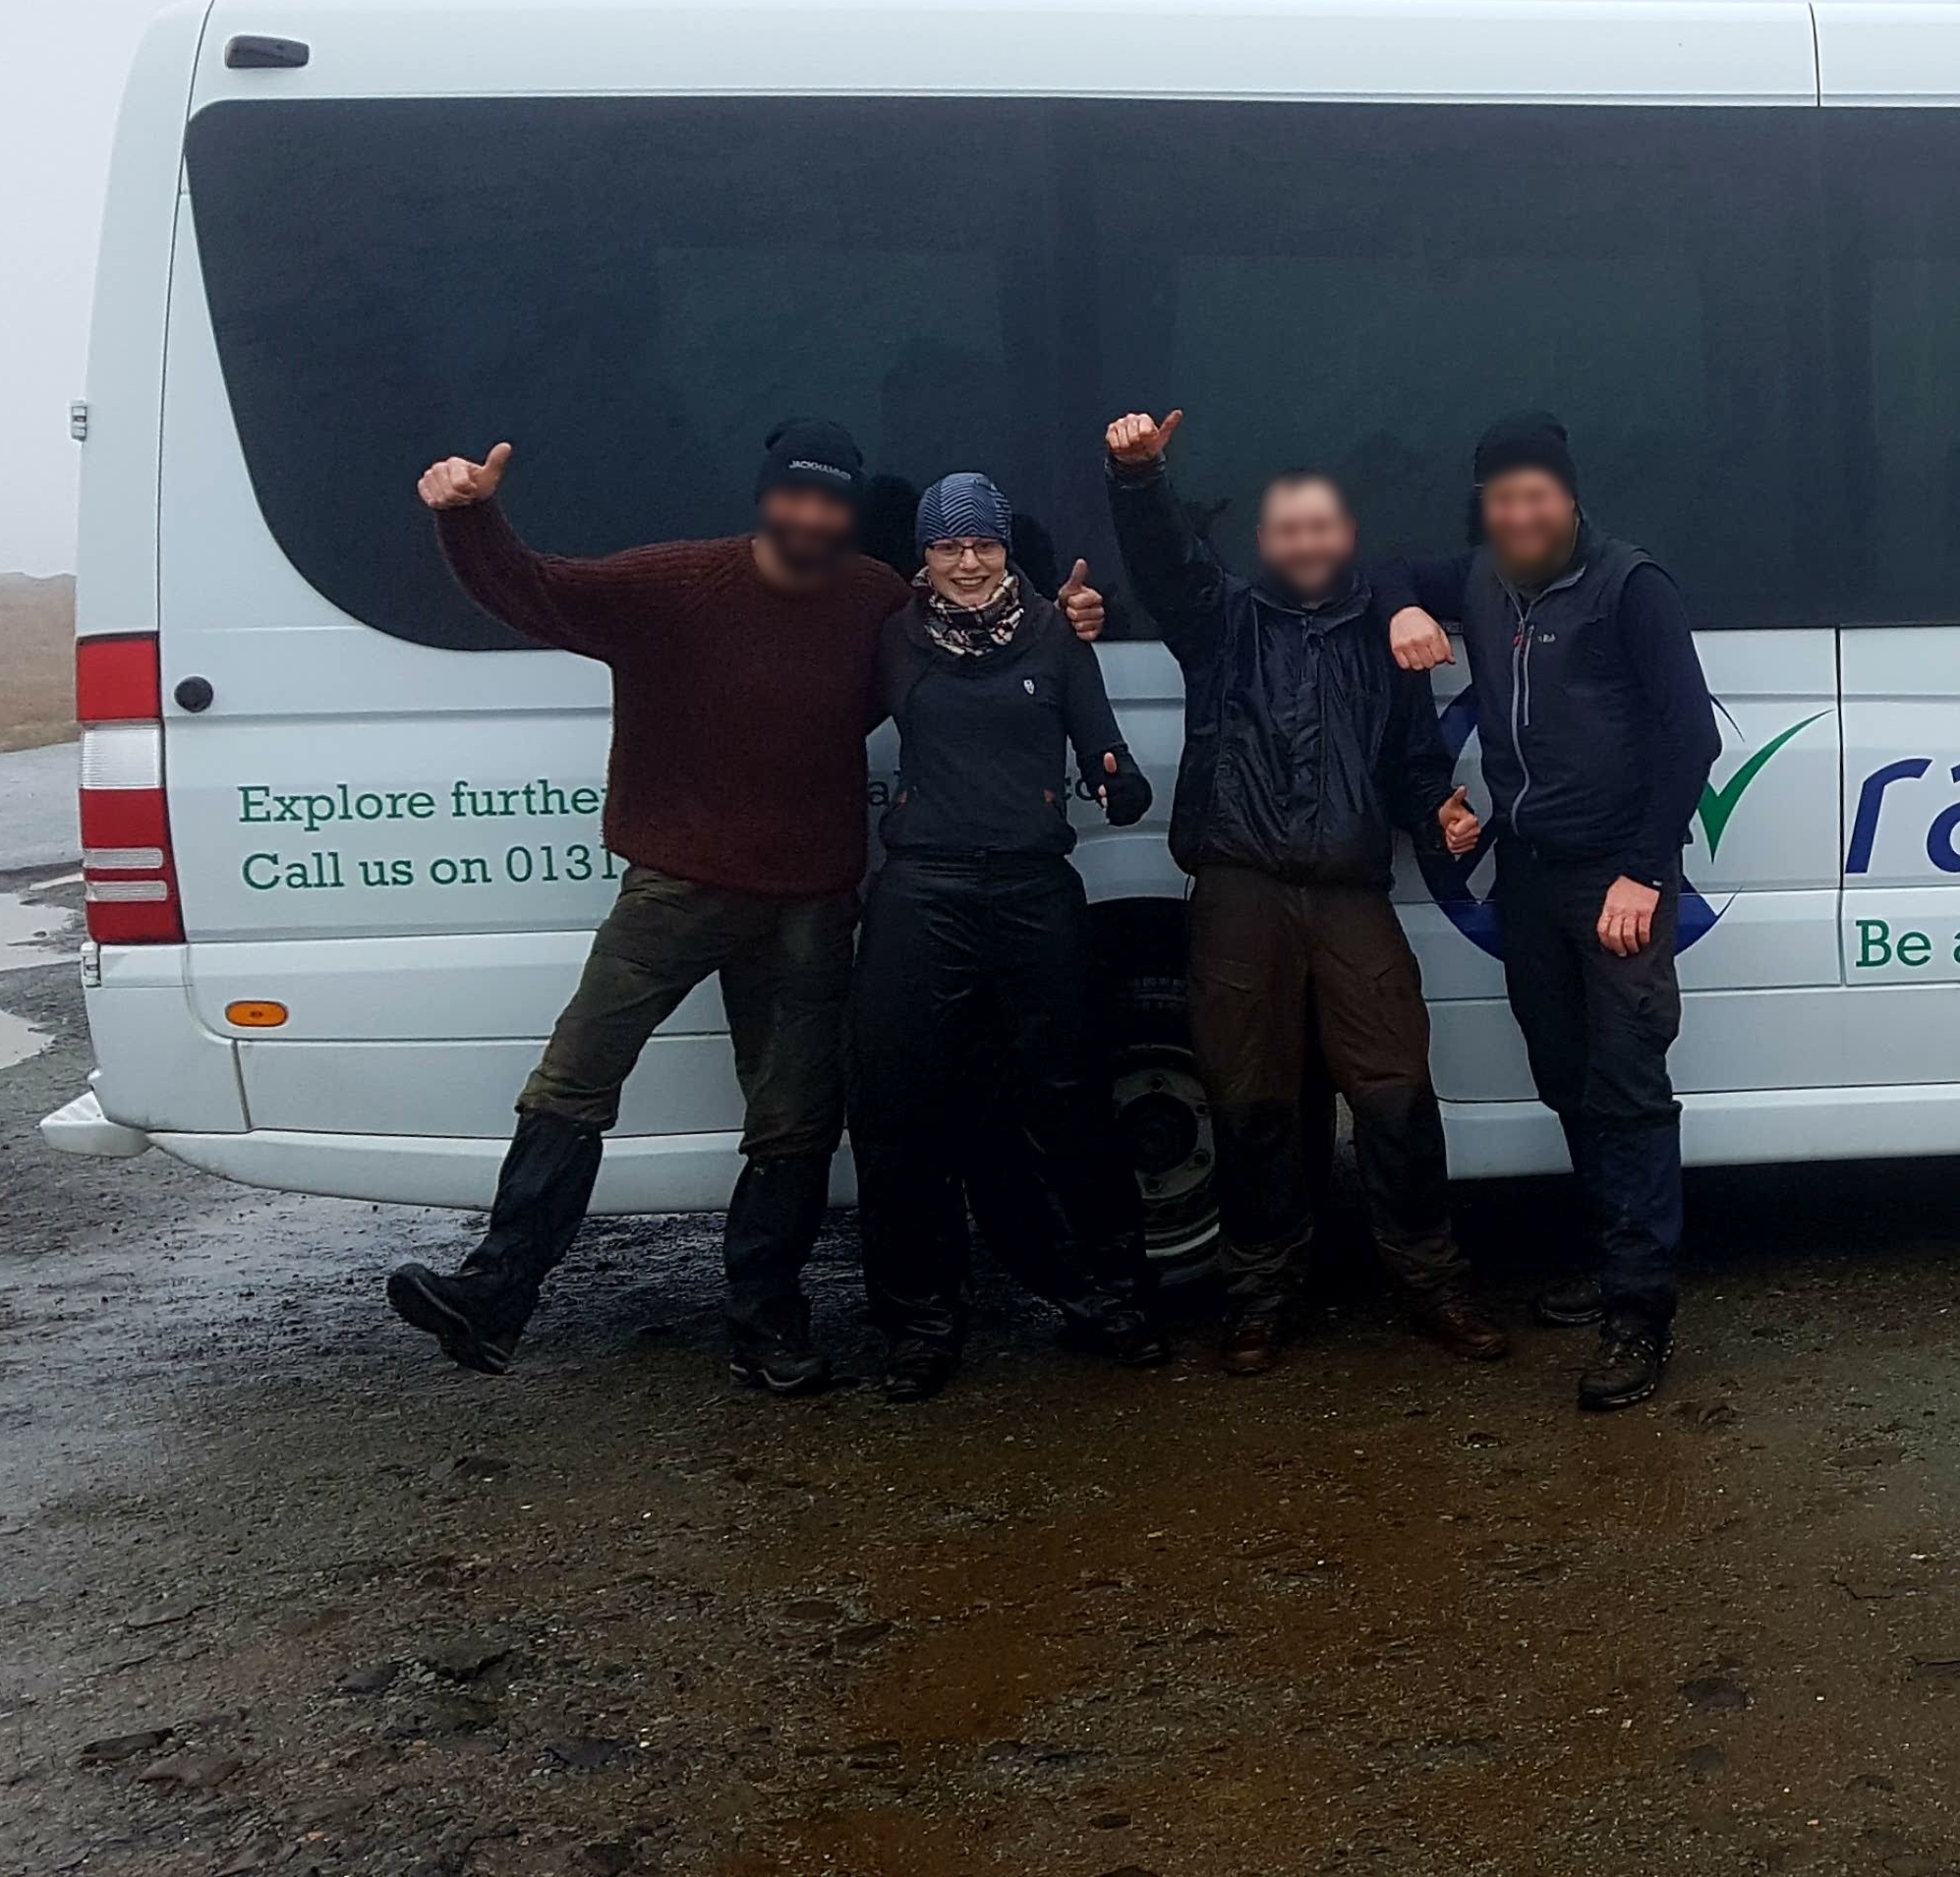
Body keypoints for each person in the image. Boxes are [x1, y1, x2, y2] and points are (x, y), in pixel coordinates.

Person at [382, 421, 1100, 1394]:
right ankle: (494, 1292)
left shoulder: (873, 599)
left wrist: (1065, 620)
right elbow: (536, 592)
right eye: (795, 495)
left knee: (794, 1120)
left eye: (830, 500)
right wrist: (473, 523)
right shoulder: (676, 583)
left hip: (809, 900)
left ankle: (768, 1327)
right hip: (673, 888)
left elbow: (971, 634)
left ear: (849, 514)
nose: (811, 514)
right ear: (768, 498)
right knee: (576, 1077)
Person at [1098, 408, 1509, 1376]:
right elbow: (1160, 562)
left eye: (1322, 525)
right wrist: (1137, 482)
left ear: (1346, 536)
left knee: (1398, 1094)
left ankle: (1431, 1282)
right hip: (1239, 890)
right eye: (1288, 527)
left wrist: (1439, 813)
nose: (1307, 541)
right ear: (1265, 542)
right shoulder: (1219, 621)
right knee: (1251, 1105)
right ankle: (1261, 1297)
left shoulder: (1384, 639)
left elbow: (1410, 765)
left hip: (1349, 893)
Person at [1382, 413, 1718, 1412]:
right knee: (1564, 1072)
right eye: (1502, 499)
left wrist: (1644, 874)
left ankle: (1639, 1314)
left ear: (1570, 499)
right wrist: (1405, 608)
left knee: (1626, 1086)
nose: (1522, 514)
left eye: (1538, 496)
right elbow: (1394, 566)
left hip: (1616, 876)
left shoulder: (1629, 586)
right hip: (1525, 872)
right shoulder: (1484, 577)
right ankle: (1607, 1259)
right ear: (1486, 509)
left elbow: (1690, 739)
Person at [844, 470, 1161, 1402]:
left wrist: (1119, 785)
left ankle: (1111, 1299)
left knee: (1067, 1099)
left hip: (1032, 889)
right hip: (923, 891)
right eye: (949, 547)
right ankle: (922, 1324)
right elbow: (808, 724)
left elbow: (1109, 751)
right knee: (901, 1113)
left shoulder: (1059, 635)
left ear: (1004, 550)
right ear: (924, 557)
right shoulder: (891, 641)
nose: (969, 563)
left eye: (982, 545)